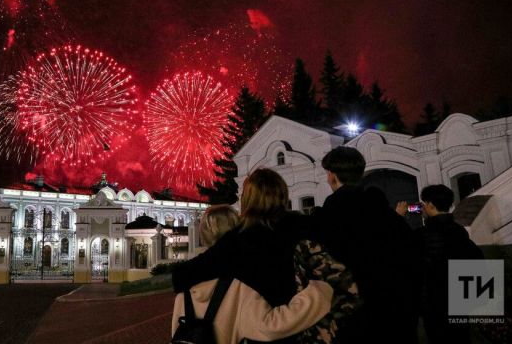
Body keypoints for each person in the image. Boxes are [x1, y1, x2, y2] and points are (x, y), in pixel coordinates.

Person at [173, 168, 359, 343]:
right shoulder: (307, 227)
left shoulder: (238, 240)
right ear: (282, 194)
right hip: (315, 326)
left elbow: (184, 275)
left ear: (247, 199)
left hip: (268, 332)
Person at [172, 205, 335, 344]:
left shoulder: (185, 285)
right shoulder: (239, 284)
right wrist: (318, 293)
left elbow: (177, 332)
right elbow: (269, 326)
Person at [311, 146, 421, 344]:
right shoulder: (387, 215)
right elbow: (411, 261)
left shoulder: (330, 218)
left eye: (327, 173)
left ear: (333, 175)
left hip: (352, 321)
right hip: (395, 316)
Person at [397, 185, 483, 344]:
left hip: (434, 304)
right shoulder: (459, 231)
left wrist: (398, 219)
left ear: (430, 205)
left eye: (423, 203)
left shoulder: (422, 235)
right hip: (459, 301)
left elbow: (402, 254)